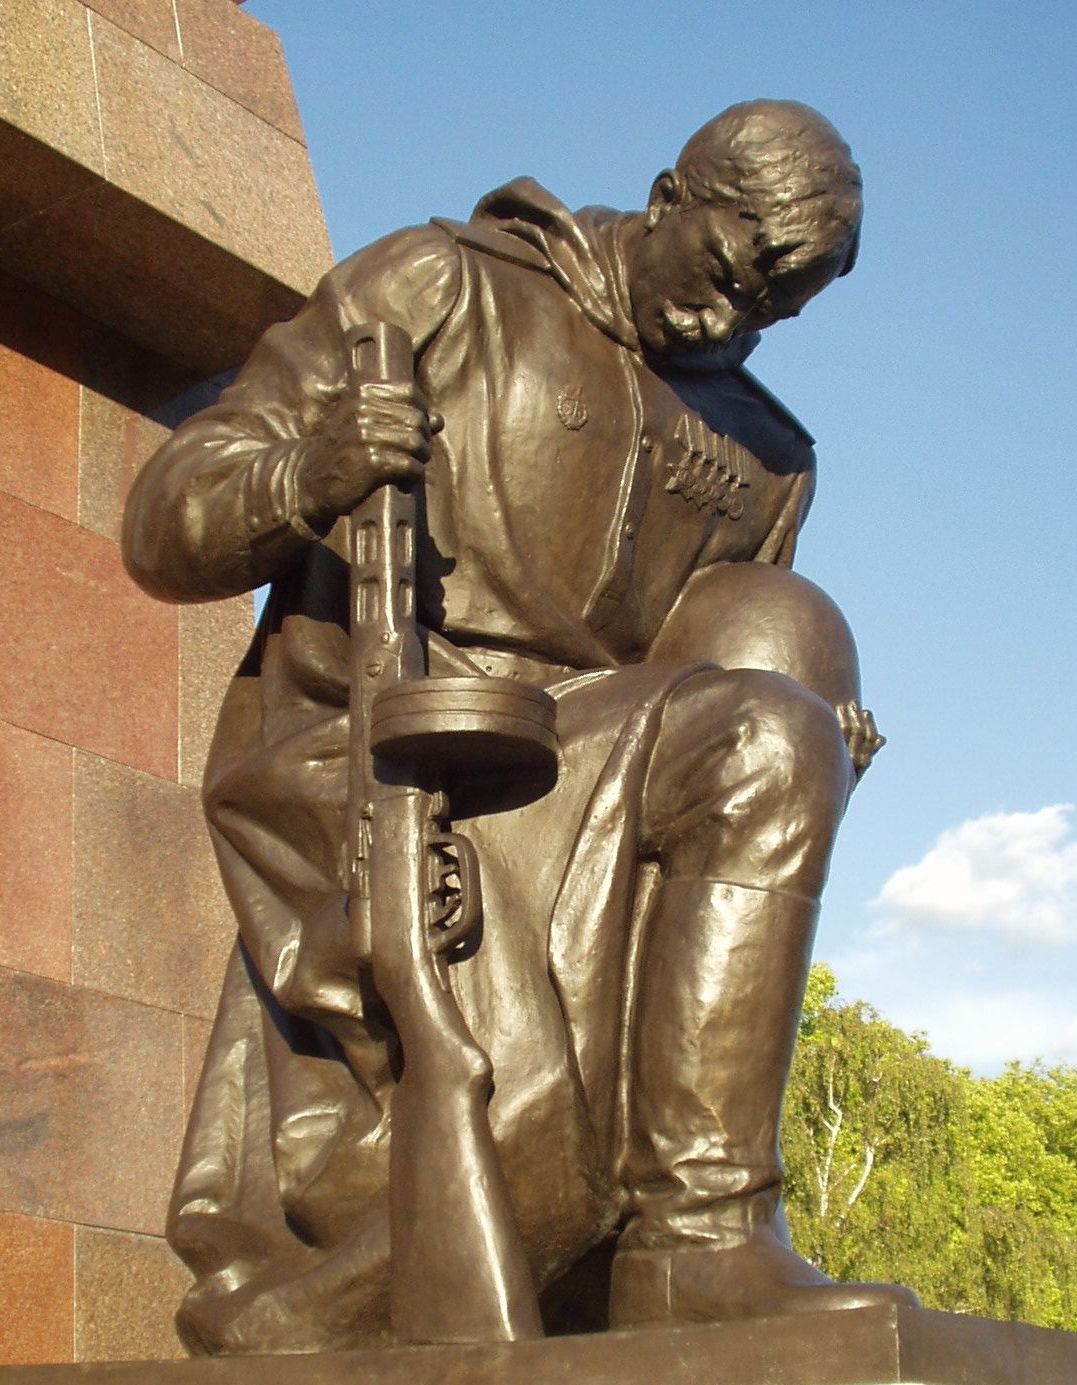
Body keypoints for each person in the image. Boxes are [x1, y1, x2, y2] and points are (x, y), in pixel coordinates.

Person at [123, 98, 912, 1353]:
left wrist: (817, 741)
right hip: (390, 743)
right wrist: (302, 474)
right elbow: (163, 520)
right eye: (726, 270)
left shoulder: (768, 450)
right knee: (760, 736)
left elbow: (711, 686)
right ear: (667, 194)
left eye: (778, 307)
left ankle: (700, 1238)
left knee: (774, 715)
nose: (734, 319)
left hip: (594, 766)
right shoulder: (443, 282)